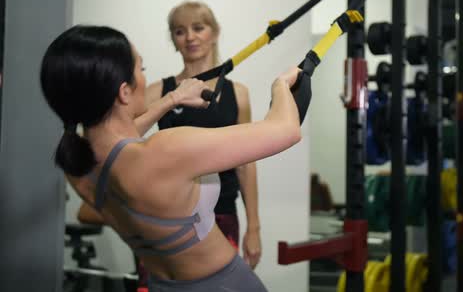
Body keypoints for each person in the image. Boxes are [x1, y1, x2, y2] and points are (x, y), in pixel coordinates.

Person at [41, 25, 302, 291]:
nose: (144, 77)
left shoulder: (77, 165)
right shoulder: (165, 151)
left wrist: (172, 99)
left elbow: (117, 137)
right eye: (140, 70)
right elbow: (286, 130)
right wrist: (281, 85)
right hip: (223, 284)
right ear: (124, 92)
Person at [144, 1, 261, 268]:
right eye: (180, 31)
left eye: (198, 28)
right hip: (169, 217)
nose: (190, 37)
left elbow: (245, 163)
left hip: (221, 215)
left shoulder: (238, 94)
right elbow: (122, 137)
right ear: (174, 41)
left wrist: (254, 228)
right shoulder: (156, 92)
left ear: (215, 32)